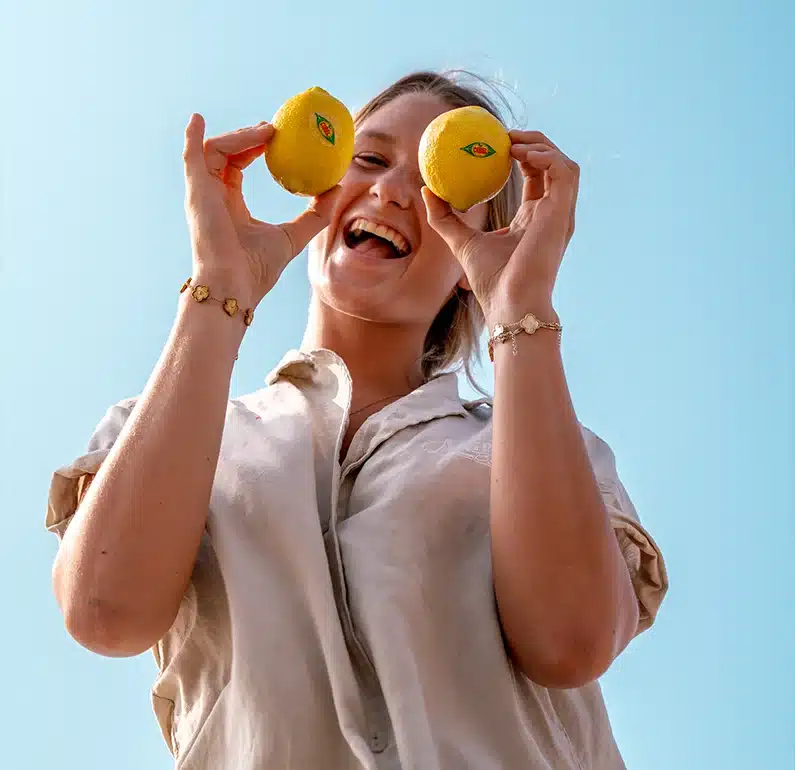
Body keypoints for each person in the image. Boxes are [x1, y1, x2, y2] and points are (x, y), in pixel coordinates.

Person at [45, 70, 669, 769]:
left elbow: (570, 643)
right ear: (318, 187)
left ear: (473, 256)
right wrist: (219, 292)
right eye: (368, 159)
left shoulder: (541, 447)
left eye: (442, 186)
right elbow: (105, 614)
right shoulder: (165, 428)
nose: (394, 190)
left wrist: (519, 304)